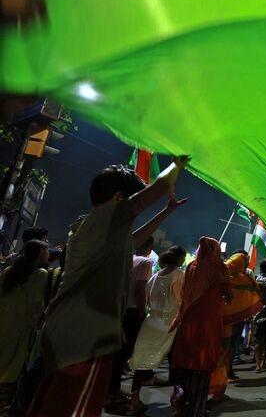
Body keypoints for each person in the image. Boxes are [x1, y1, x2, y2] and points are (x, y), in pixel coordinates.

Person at [27, 158, 188, 417]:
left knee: (57, 402)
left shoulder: (102, 231)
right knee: (76, 407)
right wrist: (178, 165)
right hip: (85, 334)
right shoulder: (103, 219)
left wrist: (167, 211)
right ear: (118, 198)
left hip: (77, 331)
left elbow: (135, 238)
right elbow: (148, 195)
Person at [170, 237, 232, 417]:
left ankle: (180, 404)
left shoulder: (191, 266)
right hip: (208, 325)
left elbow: (184, 293)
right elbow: (229, 295)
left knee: (186, 366)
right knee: (201, 367)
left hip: (188, 322)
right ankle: (196, 411)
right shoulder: (220, 267)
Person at [127, 246, 187, 414]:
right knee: (175, 363)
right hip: (169, 324)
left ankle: (134, 399)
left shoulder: (154, 276)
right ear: (180, 259)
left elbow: (147, 299)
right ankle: (177, 401)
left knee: (141, 361)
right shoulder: (179, 276)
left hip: (150, 323)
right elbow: (180, 300)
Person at [107, 236, 157, 403]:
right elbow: (139, 289)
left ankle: (112, 388)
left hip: (120, 310)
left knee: (118, 352)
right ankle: (113, 391)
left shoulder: (129, 259)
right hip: (133, 311)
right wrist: (143, 311)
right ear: (150, 247)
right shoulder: (145, 262)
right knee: (126, 351)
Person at [209, 253, 263, 399]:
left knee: (214, 352)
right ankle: (219, 385)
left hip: (209, 320)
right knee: (225, 351)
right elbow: (254, 287)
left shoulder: (211, 273)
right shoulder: (240, 279)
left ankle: (211, 384)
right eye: (244, 263)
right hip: (229, 322)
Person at [0, 240, 49, 399]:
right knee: (11, 368)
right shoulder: (40, 274)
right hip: (20, 326)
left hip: (4, 321)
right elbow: (35, 304)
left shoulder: (9, 270)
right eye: (46, 249)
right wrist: (40, 321)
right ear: (40, 253)